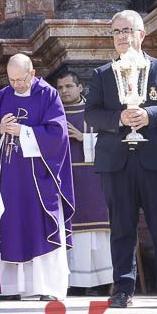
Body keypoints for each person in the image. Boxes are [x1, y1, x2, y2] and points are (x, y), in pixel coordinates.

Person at [84, 10, 157, 309]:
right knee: (121, 228)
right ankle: (123, 288)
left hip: (156, 159)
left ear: (142, 35)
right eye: (116, 31)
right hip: (116, 161)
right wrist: (118, 117)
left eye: (128, 30)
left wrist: (150, 114)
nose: (122, 37)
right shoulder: (102, 74)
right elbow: (91, 114)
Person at [0, 54, 74, 300]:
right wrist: (0, 130)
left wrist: (24, 131)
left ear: (32, 73)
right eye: (12, 80)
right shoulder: (1, 98)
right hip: (8, 177)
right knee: (9, 227)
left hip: (39, 178)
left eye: (21, 80)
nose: (16, 85)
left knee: (40, 227)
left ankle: (47, 288)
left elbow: (58, 134)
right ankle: (8, 288)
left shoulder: (48, 95)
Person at [53, 70, 112, 296]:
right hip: (65, 180)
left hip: (93, 179)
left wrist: (82, 137)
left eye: (69, 86)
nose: (64, 91)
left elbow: (111, 141)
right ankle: (73, 282)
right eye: (60, 88)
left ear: (80, 88)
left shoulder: (94, 111)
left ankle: (102, 280)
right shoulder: (53, 113)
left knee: (95, 233)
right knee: (71, 232)